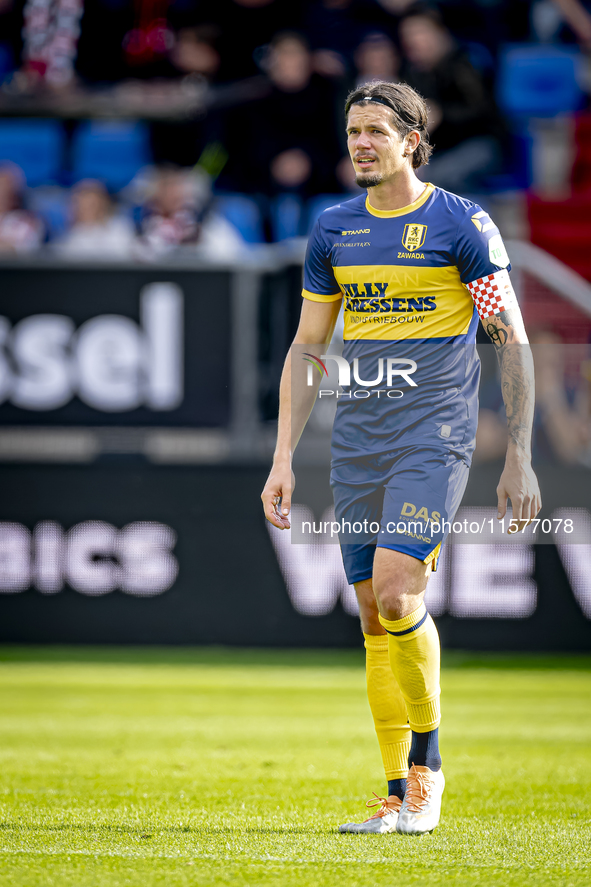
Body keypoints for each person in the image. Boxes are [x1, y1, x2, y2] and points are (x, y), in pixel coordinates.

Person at [261, 80, 541, 835]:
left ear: (412, 141)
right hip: (357, 441)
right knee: (370, 621)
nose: (361, 143)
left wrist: (518, 451)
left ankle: (429, 769)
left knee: (394, 594)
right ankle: (392, 789)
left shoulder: (461, 224)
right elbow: (307, 348)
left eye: (376, 131)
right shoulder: (333, 229)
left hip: (432, 437)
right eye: (353, 131)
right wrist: (282, 454)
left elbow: (508, 340)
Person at [55, 180, 136, 260]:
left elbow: (123, 258)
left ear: (103, 204)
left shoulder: (120, 226)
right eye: (80, 205)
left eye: (91, 205)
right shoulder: (71, 234)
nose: (85, 209)